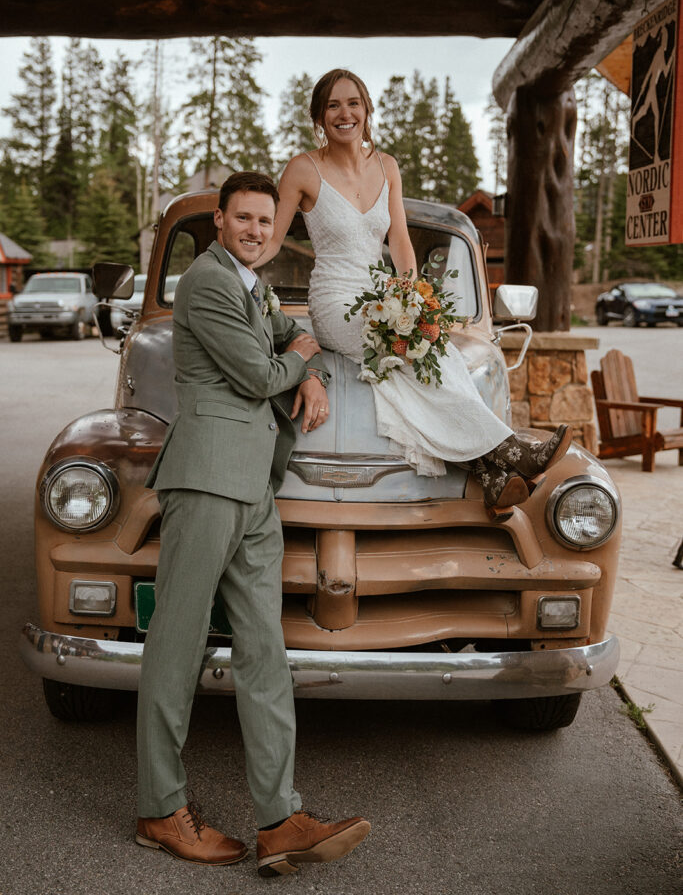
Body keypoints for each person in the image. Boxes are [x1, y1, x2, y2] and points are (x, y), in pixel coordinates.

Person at [136, 171, 370, 877]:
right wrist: (299, 365)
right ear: (219, 221)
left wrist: (306, 368)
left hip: (255, 490)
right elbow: (253, 373)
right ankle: (159, 807)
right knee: (175, 648)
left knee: (265, 653)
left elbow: (291, 334)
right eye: (243, 219)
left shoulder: (252, 284)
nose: (256, 231)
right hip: (207, 479)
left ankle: (280, 819)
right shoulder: (206, 282)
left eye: (266, 222)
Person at [255, 69, 572, 511]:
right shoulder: (302, 170)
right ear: (319, 116)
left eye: (353, 104)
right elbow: (271, 239)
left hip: (384, 294)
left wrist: (413, 296)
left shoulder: (387, 166)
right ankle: (510, 450)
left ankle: (491, 472)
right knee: (407, 354)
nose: (344, 114)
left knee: (437, 348)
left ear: (367, 111)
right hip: (335, 301)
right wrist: (235, 263)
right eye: (332, 105)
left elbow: (399, 239)